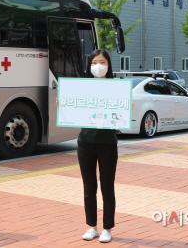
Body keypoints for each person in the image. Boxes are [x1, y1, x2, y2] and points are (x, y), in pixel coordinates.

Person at [77, 49, 118, 243]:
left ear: (109, 65)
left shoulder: (117, 88)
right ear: (89, 66)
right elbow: (74, 110)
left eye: (102, 62)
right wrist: (64, 106)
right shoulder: (82, 87)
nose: (98, 66)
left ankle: (107, 228)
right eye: (94, 62)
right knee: (89, 187)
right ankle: (92, 227)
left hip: (107, 143)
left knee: (107, 188)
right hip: (85, 142)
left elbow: (121, 116)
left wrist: (128, 108)